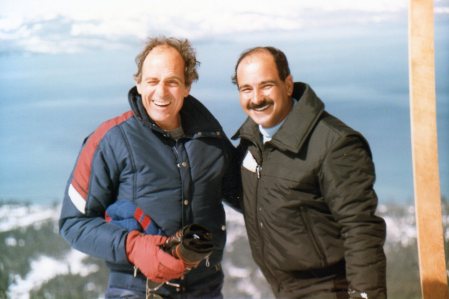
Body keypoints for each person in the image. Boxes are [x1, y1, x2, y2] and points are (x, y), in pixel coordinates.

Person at [59, 36, 240, 299]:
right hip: (137, 289)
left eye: (172, 82)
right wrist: (132, 246)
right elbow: (73, 223)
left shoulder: (210, 138)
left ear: (187, 86)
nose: (161, 92)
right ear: (139, 83)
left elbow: (251, 198)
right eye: (153, 81)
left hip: (206, 289)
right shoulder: (110, 140)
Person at [231, 46, 387, 299]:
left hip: (331, 289)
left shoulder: (333, 143)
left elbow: (360, 229)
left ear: (288, 84)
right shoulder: (253, 141)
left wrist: (364, 294)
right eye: (246, 89)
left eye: (266, 85)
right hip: (283, 289)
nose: (256, 98)